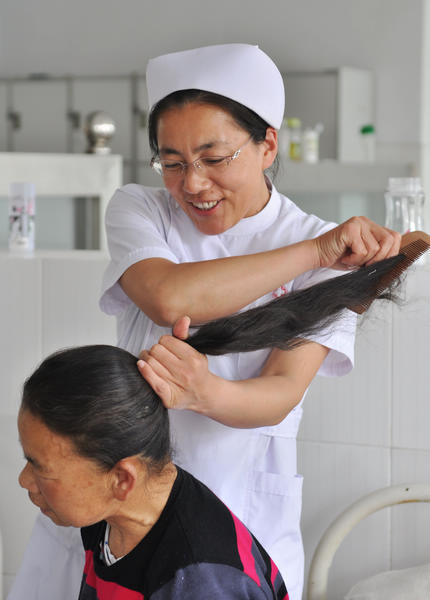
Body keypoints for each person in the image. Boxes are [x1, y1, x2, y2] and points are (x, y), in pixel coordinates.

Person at [8, 43, 401, 600]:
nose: (192, 183)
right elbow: (170, 297)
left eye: (214, 160)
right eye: (172, 161)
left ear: (268, 144)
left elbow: (282, 390)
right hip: (111, 498)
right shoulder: (140, 209)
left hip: (230, 514)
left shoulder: (320, 242)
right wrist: (314, 253)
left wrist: (205, 392)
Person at [17, 344, 288, 600]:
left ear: (122, 479)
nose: (24, 480)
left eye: (41, 468)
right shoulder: (109, 513)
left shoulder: (202, 583)